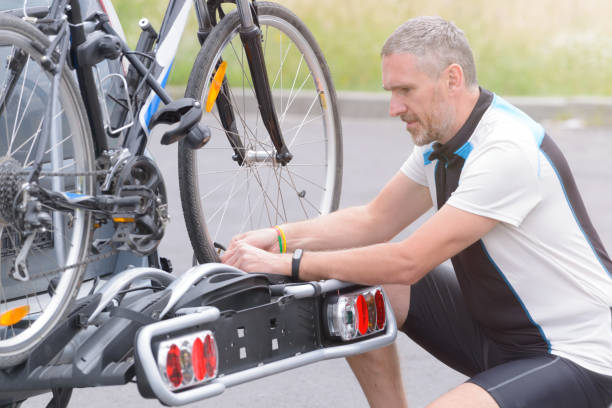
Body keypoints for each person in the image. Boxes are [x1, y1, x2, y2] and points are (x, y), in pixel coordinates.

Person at [221, 16, 612, 408]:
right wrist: (278, 237)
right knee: (357, 283)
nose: (394, 108)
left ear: (452, 79)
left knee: (370, 269)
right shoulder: (443, 139)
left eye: (406, 90)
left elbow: (409, 261)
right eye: (390, 92)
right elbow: (373, 220)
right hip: (502, 337)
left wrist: (290, 264)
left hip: (578, 356)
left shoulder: (505, 151)